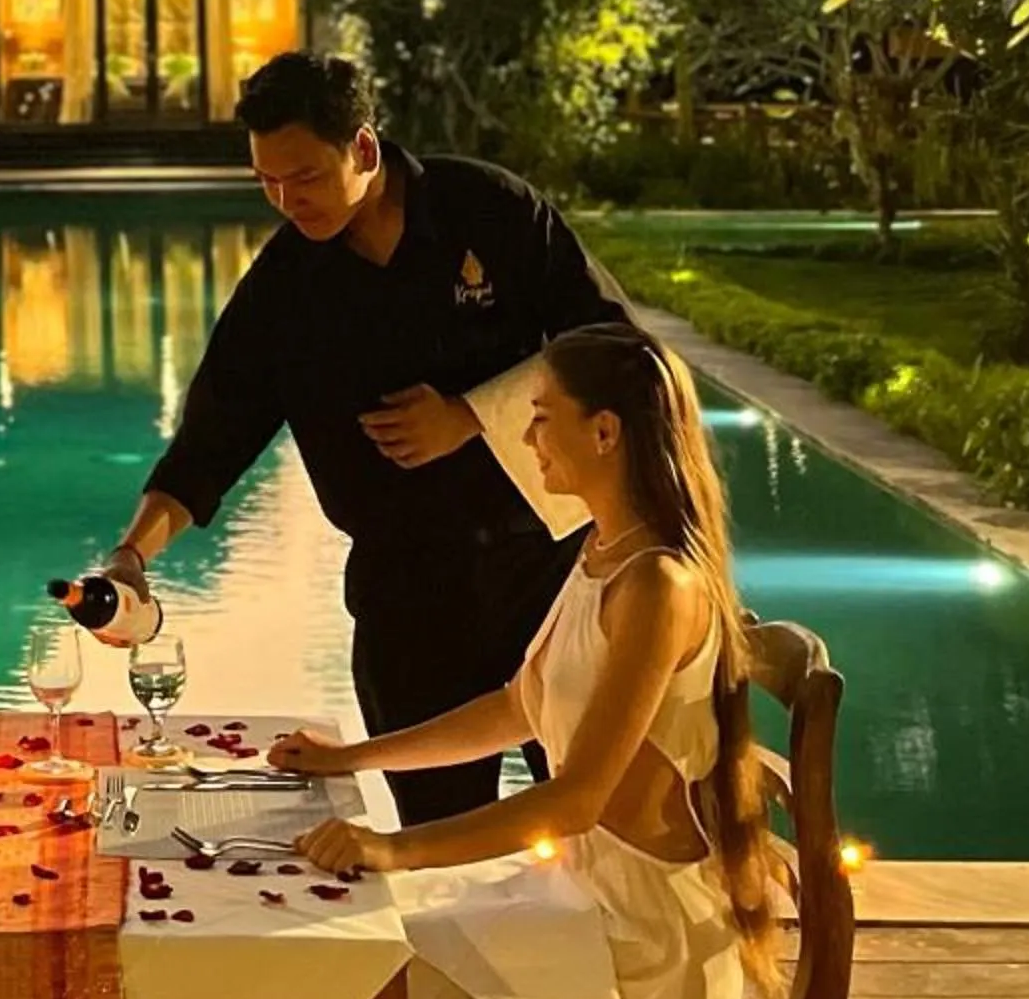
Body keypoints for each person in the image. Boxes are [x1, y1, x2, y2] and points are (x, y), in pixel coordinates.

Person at [261, 326, 781, 999]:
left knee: (376, 994)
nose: (528, 440)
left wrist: (391, 849)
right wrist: (350, 757)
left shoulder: (657, 585)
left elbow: (576, 798)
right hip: (577, 900)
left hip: (645, 939)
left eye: (544, 421)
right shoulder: (595, 553)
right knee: (338, 971)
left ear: (607, 433)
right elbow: (514, 709)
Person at [91, 52, 635, 829]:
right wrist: (131, 557)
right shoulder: (286, 287)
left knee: (600, 825)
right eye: (267, 183)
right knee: (436, 846)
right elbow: (213, 438)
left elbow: (616, 350)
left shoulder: (491, 212)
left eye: (305, 177)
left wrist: (473, 413)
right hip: (407, 599)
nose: (287, 201)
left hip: (545, 571)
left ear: (365, 150)